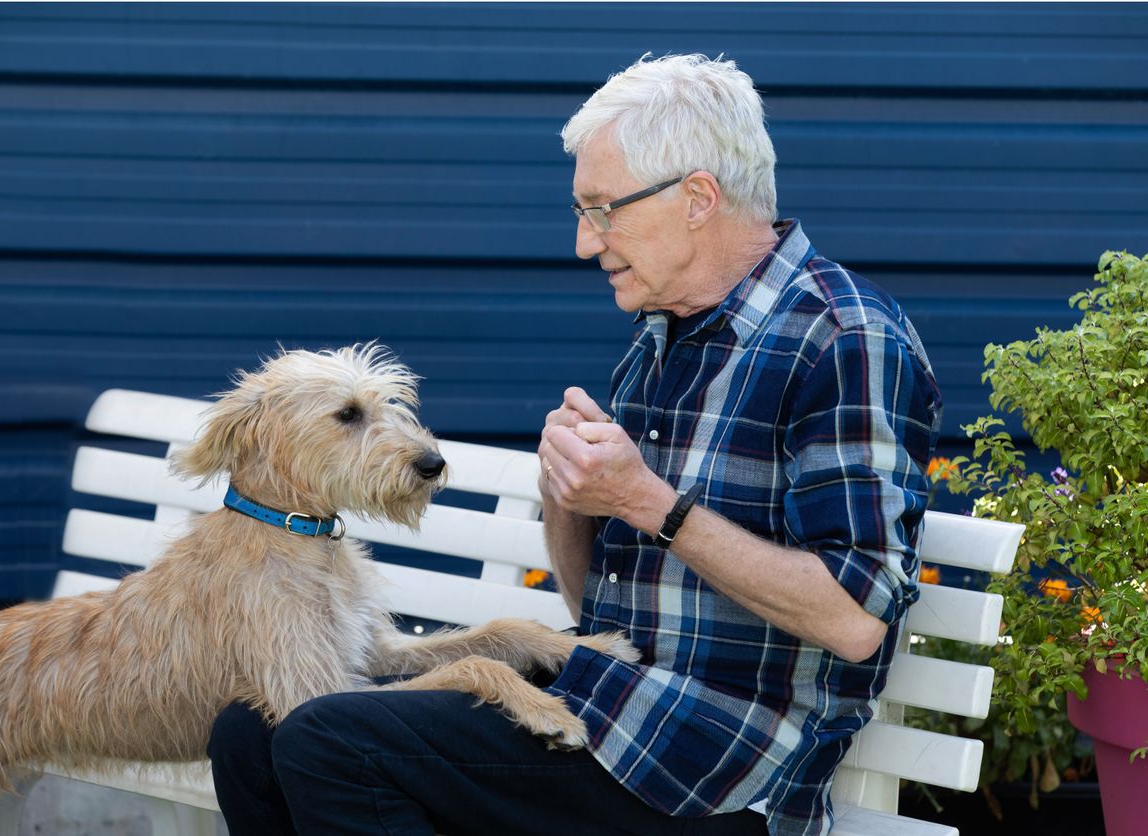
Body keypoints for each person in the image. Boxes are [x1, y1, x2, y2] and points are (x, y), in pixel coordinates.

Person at [206, 53, 941, 836]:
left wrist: (644, 500)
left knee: (332, 744)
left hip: (715, 770)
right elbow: (597, 605)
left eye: (604, 209)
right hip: (611, 710)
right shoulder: (667, 334)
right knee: (249, 733)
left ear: (698, 198)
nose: (586, 243)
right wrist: (569, 497)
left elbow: (856, 619)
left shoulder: (844, 339)